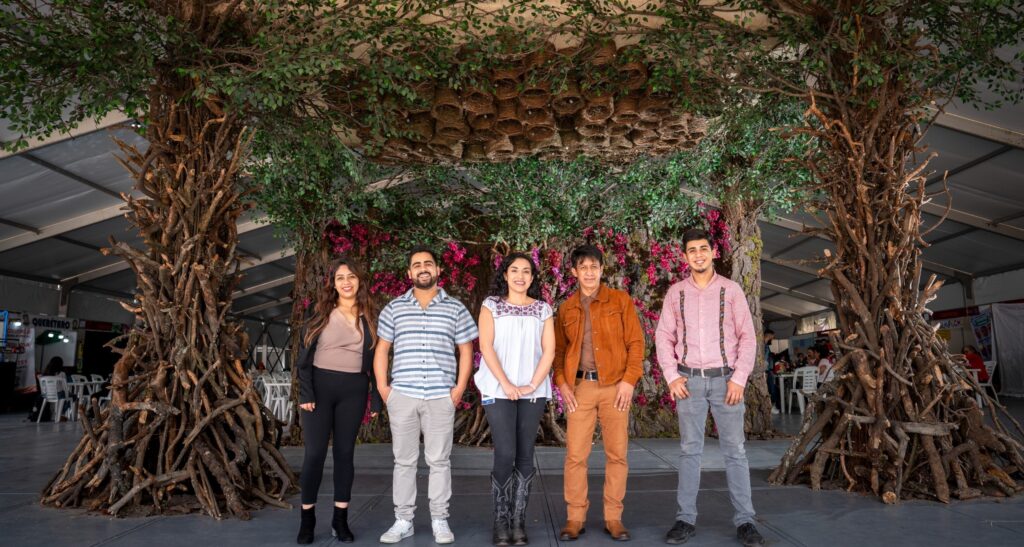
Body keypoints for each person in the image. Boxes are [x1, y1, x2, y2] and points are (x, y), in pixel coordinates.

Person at [655, 228, 765, 547]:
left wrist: (739, 378)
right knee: (690, 451)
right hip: (688, 382)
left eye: (703, 248)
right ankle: (685, 519)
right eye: (692, 250)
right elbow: (663, 336)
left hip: (726, 381)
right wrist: (672, 376)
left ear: (713, 251)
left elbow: (747, 337)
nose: (698, 255)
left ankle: (746, 521)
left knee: (735, 451)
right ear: (685, 256)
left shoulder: (731, 290)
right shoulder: (676, 293)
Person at [374, 246, 479, 545]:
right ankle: (403, 520)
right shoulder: (394, 308)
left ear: (438, 270)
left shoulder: (456, 308)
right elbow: (382, 350)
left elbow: (466, 351)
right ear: (409, 273)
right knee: (404, 461)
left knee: (439, 461)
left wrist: (458, 389)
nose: (423, 268)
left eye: (428, 263)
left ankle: (439, 520)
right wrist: (384, 389)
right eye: (417, 264)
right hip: (402, 395)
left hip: (440, 396)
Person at [553, 244, 644, 542]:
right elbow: (558, 352)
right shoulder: (567, 308)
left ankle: (613, 518)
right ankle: (575, 518)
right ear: (574, 272)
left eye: (594, 267)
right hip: (580, 389)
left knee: (617, 454)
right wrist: (563, 384)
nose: (589, 272)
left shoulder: (620, 300)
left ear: (602, 269)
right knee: (575, 456)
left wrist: (629, 381)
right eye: (584, 267)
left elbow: (636, 343)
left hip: (615, 387)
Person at [295, 257, 383, 544]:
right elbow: (303, 356)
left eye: (351, 277)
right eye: (340, 278)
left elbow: (377, 360)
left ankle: (340, 520)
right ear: (333, 284)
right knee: (315, 454)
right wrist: (306, 392)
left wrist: (376, 397)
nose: (346, 282)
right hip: (319, 389)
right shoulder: (320, 312)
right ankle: (307, 520)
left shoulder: (370, 315)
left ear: (359, 281)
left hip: (354, 390)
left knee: (345, 454)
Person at [475, 253, 555, 546]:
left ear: (532, 277)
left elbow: (549, 351)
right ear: (505, 275)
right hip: (497, 390)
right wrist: (506, 384)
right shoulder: (491, 305)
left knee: (524, 454)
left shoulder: (542, 309)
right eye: (514, 270)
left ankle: (518, 522)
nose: (520, 276)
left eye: (526, 271)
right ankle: (500, 522)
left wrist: (532, 384)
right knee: (505, 452)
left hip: (533, 391)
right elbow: (486, 346)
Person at [763, 330, 780, 414]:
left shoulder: (766, 346)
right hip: (765, 371)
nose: (772, 340)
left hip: (768, 370)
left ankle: (771, 406)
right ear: (769, 336)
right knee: (771, 389)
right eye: (772, 337)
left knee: (772, 388)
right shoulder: (762, 346)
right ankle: (771, 406)